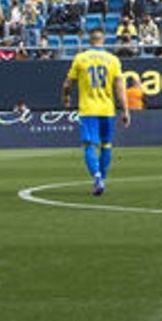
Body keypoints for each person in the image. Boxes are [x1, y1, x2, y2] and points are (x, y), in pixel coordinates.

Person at [62, 28, 130, 196]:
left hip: (88, 109)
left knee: (89, 145)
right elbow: (120, 88)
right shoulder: (113, 60)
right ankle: (101, 180)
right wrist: (126, 110)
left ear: (89, 40)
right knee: (106, 145)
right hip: (107, 109)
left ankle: (98, 178)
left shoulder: (81, 58)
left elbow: (67, 84)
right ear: (103, 40)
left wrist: (66, 98)